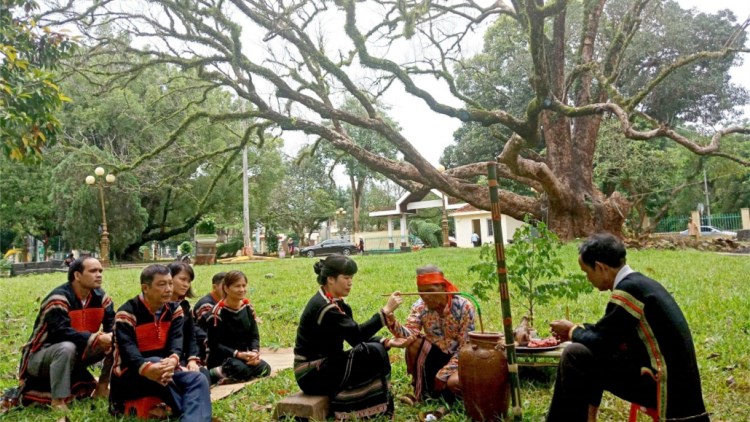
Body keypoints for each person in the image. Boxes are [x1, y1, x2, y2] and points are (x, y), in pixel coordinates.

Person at [546, 234, 708, 422]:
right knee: (582, 351)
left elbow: (602, 342)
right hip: (679, 386)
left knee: (576, 355)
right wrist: (576, 330)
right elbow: (610, 331)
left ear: (601, 268)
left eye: (586, 272)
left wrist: (571, 331)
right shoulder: (639, 284)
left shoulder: (628, 291)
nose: (588, 279)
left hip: (664, 388)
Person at [294, 255, 403, 420]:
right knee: (371, 353)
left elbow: (353, 337)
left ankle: (375, 406)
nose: (350, 282)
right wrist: (385, 312)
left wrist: (387, 342)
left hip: (326, 365)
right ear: (331, 279)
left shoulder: (335, 302)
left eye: (351, 278)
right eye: (346, 278)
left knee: (377, 349)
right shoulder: (325, 307)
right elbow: (357, 336)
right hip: (311, 374)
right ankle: (367, 408)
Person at [109, 265, 211, 422]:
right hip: (130, 376)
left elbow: (176, 343)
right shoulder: (127, 313)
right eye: (162, 284)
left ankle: (192, 419)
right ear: (145, 288)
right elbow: (128, 351)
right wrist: (148, 368)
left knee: (199, 378)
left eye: (170, 283)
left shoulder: (175, 309)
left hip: (164, 371)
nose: (169, 289)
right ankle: (191, 410)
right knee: (157, 363)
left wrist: (173, 361)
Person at [17, 257, 114, 410]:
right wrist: (97, 338)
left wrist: (110, 338)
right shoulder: (58, 299)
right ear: (77, 276)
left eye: (100, 271)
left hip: (78, 353)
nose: (99, 275)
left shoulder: (102, 298)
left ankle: (102, 389)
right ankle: (58, 401)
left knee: (117, 341)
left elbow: (111, 324)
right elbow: (61, 333)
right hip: (41, 358)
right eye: (93, 271)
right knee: (66, 347)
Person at [386, 264, 475, 402]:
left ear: (443, 287)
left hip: (460, 359)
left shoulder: (464, 307)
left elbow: (465, 348)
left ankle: (444, 393)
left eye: (430, 290)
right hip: (435, 356)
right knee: (414, 342)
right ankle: (419, 389)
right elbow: (409, 333)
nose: (425, 297)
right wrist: (391, 321)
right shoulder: (420, 306)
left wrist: (443, 373)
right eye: (421, 292)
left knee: (454, 384)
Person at [205, 271, 271, 384]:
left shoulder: (248, 308)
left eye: (244, 285)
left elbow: (254, 335)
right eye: (237, 286)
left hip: (244, 357)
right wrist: (238, 354)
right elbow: (214, 344)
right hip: (224, 358)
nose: (242, 289)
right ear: (226, 288)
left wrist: (254, 353)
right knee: (240, 369)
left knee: (266, 368)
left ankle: (231, 376)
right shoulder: (216, 313)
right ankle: (216, 372)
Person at [167, 262, 210, 383]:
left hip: (183, 356)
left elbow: (191, 335)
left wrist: (192, 360)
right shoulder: (160, 307)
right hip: (166, 359)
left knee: (204, 375)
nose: (186, 284)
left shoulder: (184, 306)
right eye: (182, 279)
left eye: (189, 281)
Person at [193, 271, 226, 362]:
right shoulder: (206, 305)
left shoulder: (225, 301)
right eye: (224, 286)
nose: (227, 289)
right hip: (205, 345)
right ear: (215, 287)